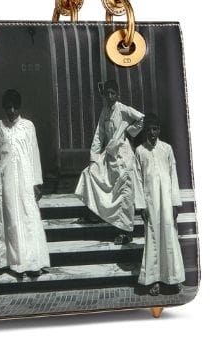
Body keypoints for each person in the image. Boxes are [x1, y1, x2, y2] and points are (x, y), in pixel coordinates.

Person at [0, 89, 50, 278]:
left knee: (28, 218)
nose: (11, 111)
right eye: (8, 107)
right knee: (12, 220)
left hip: (26, 179)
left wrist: (37, 182)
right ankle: (14, 262)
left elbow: (34, 153)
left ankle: (33, 262)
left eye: (14, 107)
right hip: (7, 180)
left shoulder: (28, 126)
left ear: (19, 107)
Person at [74, 79, 144, 244]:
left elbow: (142, 118)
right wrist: (94, 157)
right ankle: (95, 214)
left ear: (117, 94)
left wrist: (129, 130)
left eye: (113, 93)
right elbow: (99, 135)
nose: (110, 96)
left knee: (124, 190)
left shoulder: (123, 109)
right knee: (90, 173)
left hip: (123, 155)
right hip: (109, 153)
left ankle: (126, 231)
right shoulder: (105, 111)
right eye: (107, 94)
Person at [135, 113, 185, 295]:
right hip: (150, 202)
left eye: (155, 129)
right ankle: (153, 280)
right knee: (153, 239)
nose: (152, 133)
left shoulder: (167, 149)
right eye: (148, 130)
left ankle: (173, 278)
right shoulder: (140, 151)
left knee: (169, 237)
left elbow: (173, 176)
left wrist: (175, 203)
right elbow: (137, 179)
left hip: (166, 201)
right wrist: (141, 206)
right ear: (145, 131)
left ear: (159, 130)